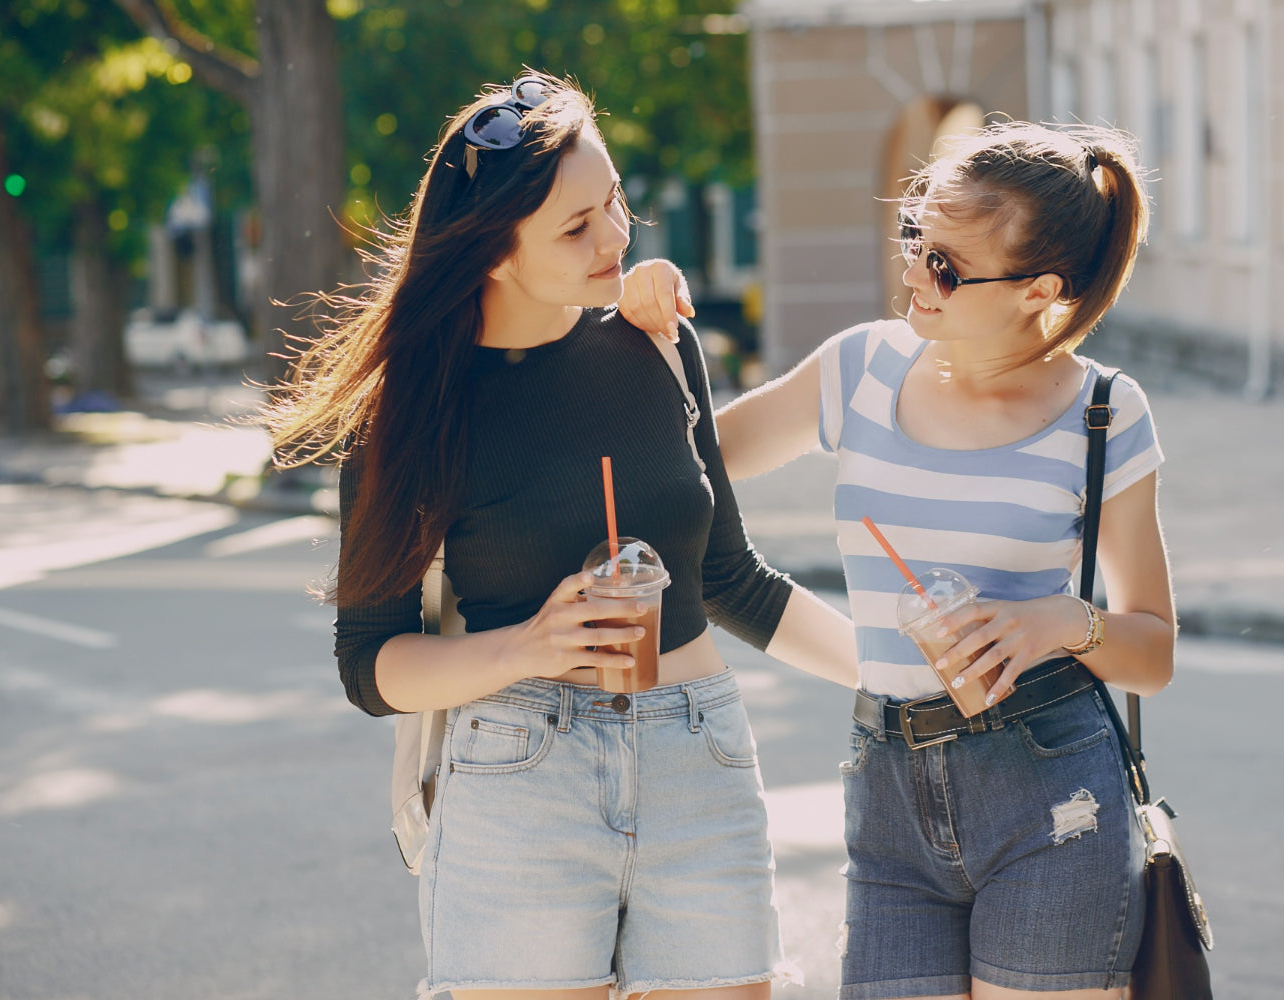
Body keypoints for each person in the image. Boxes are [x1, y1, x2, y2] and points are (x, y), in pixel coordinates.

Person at [261, 72, 857, 1000]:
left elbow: (731, 579)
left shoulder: (658, 344)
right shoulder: (414, 411)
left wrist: (901, 675)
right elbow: (370, 664)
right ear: (491, 251)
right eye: (575, 228)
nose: (615, 237)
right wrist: (528, 644)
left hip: (697, 760)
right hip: (520, 776)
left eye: (613, 203)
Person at [619, 121, 1175, 1000]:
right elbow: (686, 459)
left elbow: (1154, 652)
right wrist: (648, 326)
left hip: (1056, 794)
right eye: (916, 238)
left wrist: (1061, 622)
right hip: (886, 791)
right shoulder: (859, 368)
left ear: (1041, 290)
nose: (916, 272)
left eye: (949, 265)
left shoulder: (1105, 412)